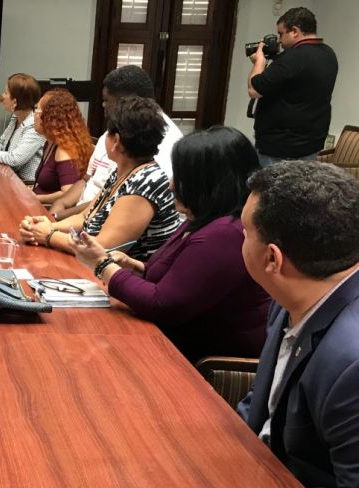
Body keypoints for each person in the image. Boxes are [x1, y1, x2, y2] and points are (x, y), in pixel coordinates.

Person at [69, 126, 271, 363]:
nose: (172, 184)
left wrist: (102, 264)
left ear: (208, 182)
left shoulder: (226, 233)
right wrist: (136, 267)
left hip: (200, 362)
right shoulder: (205, 218)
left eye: (182, 177)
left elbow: (162, 305)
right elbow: (182, 278)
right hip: (170, 343)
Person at [235, 161, 359, 488]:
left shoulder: (350, 363)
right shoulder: (295, 294)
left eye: (244, 232)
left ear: (272, 259)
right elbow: (265, 402)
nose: (239, 242)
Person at [19, 96, 179, 261]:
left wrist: (49, 235)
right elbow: (85, 218)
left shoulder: (146, 182)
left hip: (120, 278)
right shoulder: (122, 172)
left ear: (116, 141)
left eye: (108, 134)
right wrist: (45, 226)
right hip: (90, 262)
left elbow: (103, 247)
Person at [50, 65, 183, 219]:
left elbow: (113, 201)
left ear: (127, 101)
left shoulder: (161, 144)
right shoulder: (114, 131)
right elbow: (87, 179)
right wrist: (60, 205)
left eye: (107, 100)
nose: (103, 105)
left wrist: (60, 217)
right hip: (80, 218)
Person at [247, 7, 337, 166]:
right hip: (311, 144)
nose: (279, 41)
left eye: (281, 34)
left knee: (271, 190)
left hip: (280, 148)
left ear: (295, 31)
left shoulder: (292, 57)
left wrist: (259, 62)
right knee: (298, 189)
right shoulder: (329, 54)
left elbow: (254, 90)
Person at [30, 89, 94, 205]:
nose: (34, 115)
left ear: (49, 118)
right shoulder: (50, 143)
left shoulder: (64, 150)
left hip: (47, 211)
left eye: (36, 110)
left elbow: (68, 193)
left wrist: (36, 198)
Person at [0, 72, 45, 182]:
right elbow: (1, 141)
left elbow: (15, 160)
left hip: (26, 185)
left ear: (15, 102)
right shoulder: (15, 118)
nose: (2, 96)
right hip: (9, 177)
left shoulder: (34, 128)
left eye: (6, 93)